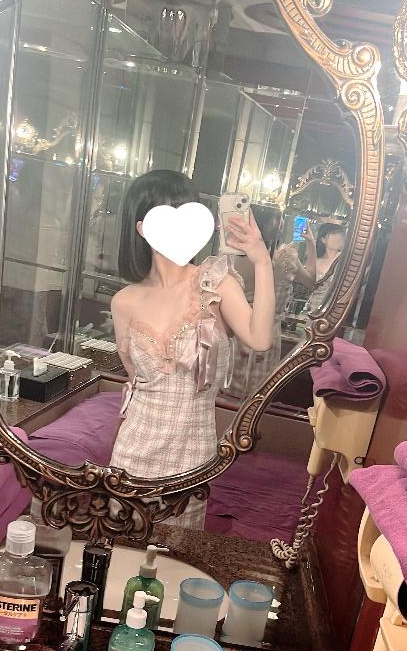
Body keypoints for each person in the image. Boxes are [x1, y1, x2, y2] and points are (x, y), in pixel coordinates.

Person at [109, 169, 275, 529]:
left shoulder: (216, 284)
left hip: (191, 455)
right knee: (122, 548)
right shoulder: (124, 301)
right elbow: (135, 384)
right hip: (132, 454)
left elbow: (260, 339)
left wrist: (262, 260)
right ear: (142, 228)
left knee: (176, 553)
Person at [228, 204, 317, 399]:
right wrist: (311, 243)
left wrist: (310, 243)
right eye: (275, 218)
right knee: (252, 395)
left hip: (244, 332)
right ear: (260, 223)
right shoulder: (283, 257)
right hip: (255, 331)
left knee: (238, 392)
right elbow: (311, 281)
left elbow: (311, 282)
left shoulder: (235, 256)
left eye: (281, 217)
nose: (280, 223)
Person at [304, 222, 345, 314]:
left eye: (342, 234)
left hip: (334, 310)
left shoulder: (344, 260)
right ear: (323, 239)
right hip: (313, 308)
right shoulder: (316, 260)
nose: (340, 236)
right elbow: (307, 283)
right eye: (334, 233)